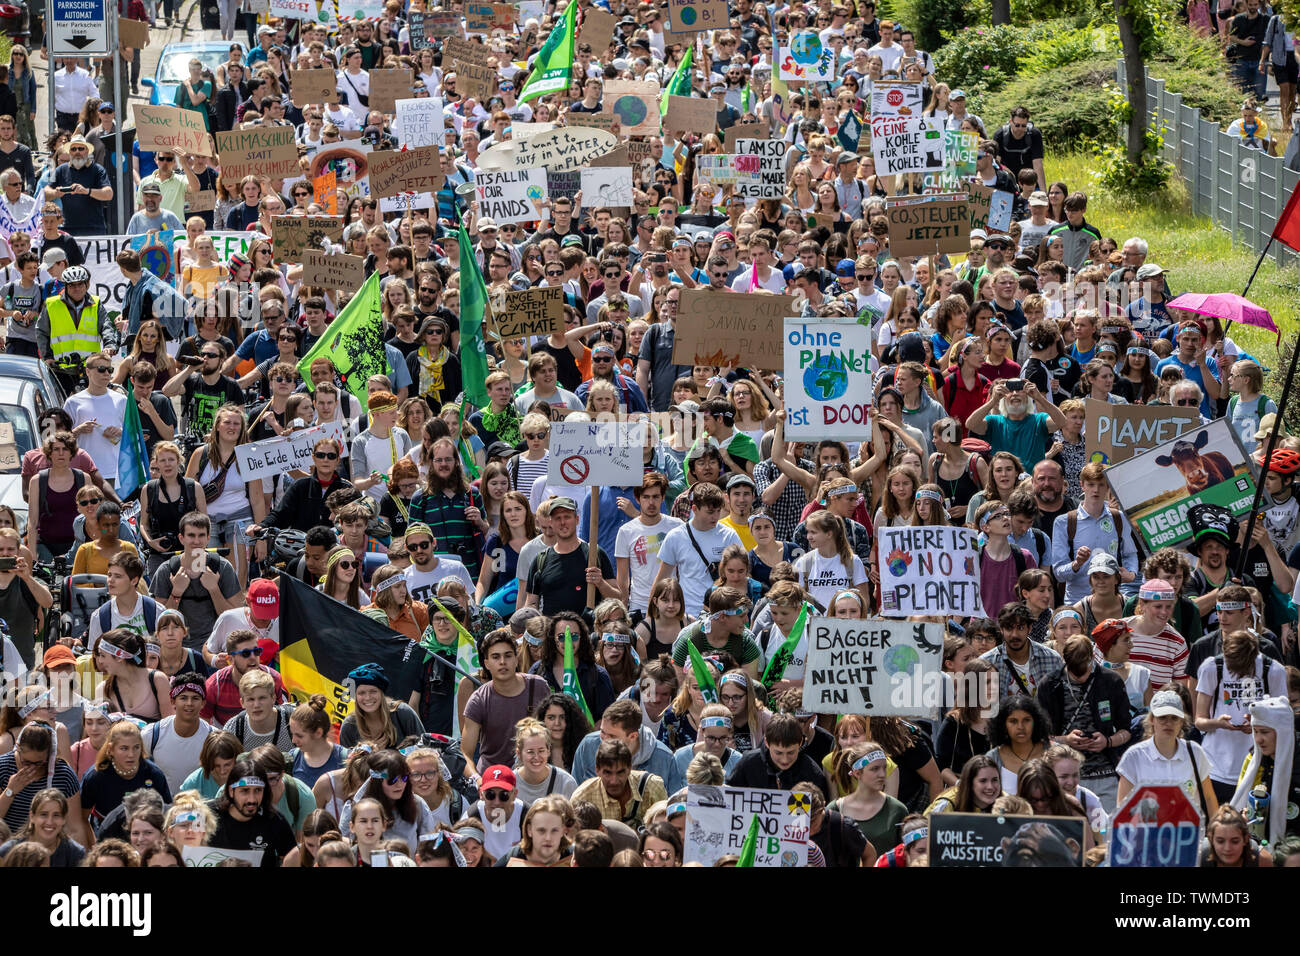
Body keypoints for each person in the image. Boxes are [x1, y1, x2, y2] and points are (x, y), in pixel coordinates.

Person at [1039, 635, 1132, 811]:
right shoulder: (1050, 684)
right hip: (1064, 777)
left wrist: (1108, 741)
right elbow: (1041, 737)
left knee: (1106, 831)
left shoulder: (1110, 681)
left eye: (1086, 670)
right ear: (1065, 661)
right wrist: (1066, 740)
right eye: (1075, 673)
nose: (1081, 677)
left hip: (1105, 775)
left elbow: (1126, 730)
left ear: (1092, 658)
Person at [1194, 629, 1286, 803]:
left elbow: (1283, 723)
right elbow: (1199, 721)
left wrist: (1259, 724)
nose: (1239, 673)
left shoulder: (1273, 670)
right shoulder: (1212, 667)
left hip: (1258, 766)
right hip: (1215, 767)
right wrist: (1218, 723)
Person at [1116, 688, 1219, 821]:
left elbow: (1209, 797)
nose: (1168, 723)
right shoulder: (1133, 757)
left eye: (1174, 718)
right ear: (1152, 719)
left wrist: (1216, 831)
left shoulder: (1195, 752)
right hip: (1148, 837)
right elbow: (1123, 807)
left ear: (1182, 721)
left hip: (1188, 836)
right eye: (1162, 717)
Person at [79, 720, 172, 834]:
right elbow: (82, 818)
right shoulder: (95, 776)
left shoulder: (154, 774)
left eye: (136, 747)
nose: (131, 754)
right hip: (106, 834)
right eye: (124, 748)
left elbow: (168, 815)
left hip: (145, 836)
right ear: (111, 749)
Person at [207, 754, 296, 867]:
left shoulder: (274, 819)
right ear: (231, 791)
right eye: (245, 791)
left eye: (258, 790)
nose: (252, 799)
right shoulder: (209, 814)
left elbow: (293, 854)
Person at [142, 672, 219, 794]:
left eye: (195, 698)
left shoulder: (214, 739)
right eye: (183, 698)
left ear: (203, 703)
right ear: (173, 702)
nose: (189, 703)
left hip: (200, 808)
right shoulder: (151, 734)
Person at [570, 740, 667, 829]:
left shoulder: (652, 787)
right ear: (597, 770)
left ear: (630, 768)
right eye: (608, 773)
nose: (614, 781)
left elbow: (667, 830)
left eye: (620, 772)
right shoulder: (582, 797)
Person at [726, 713, 829, 793]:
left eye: (791, 752)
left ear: (800, 743)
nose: (785, 759)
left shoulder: (811, 772)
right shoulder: (748, 763)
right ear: (767, 743)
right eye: (778, 753)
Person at [337, 663, 424, 749]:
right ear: (355, 696)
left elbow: (426, 750)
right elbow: (346, 761)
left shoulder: (402, 712)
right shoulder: (349, 725)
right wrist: (370, 754)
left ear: (381, 693)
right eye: (361, 693)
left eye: (373, 691)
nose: (368, 697)